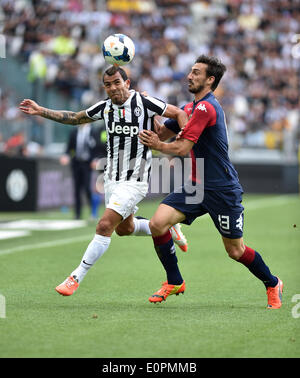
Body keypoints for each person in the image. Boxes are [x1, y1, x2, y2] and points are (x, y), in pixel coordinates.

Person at [19, 65, 189, 296]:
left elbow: (180, 113)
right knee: (124, 229)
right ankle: (169, 227)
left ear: (127, 83)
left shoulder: (145, 103)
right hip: (112, 179)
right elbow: (75, 118)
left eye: (117, 82)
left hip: (135, 180)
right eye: (108, 85)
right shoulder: (105, 108)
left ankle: (75, 276)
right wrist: (41, 111)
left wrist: (179, 142)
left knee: (104, 225)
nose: (113, 88)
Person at [139, 55, 283, 309]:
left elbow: (182, 148)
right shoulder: (189, 109)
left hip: (222, 189)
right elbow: (161, 131)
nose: (189, 76)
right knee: (157, 223)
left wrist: (159, 146)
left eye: (196, 72)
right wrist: (149, 106)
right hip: (196, 185)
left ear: (210, 79)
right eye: (191, 71)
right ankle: (174, 281)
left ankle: (272, 283)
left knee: (235, 251)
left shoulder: (207, 108)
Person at [60, 123, 104, 220]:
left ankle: (93, 212)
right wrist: (66, 155)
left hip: (87, 164)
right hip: (76, 163)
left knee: (87, 188)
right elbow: (69, 147)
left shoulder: (93, 131)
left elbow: (98, 148)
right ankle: (77, 214)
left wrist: (96, 159)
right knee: (76, 189)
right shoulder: (74, 131)